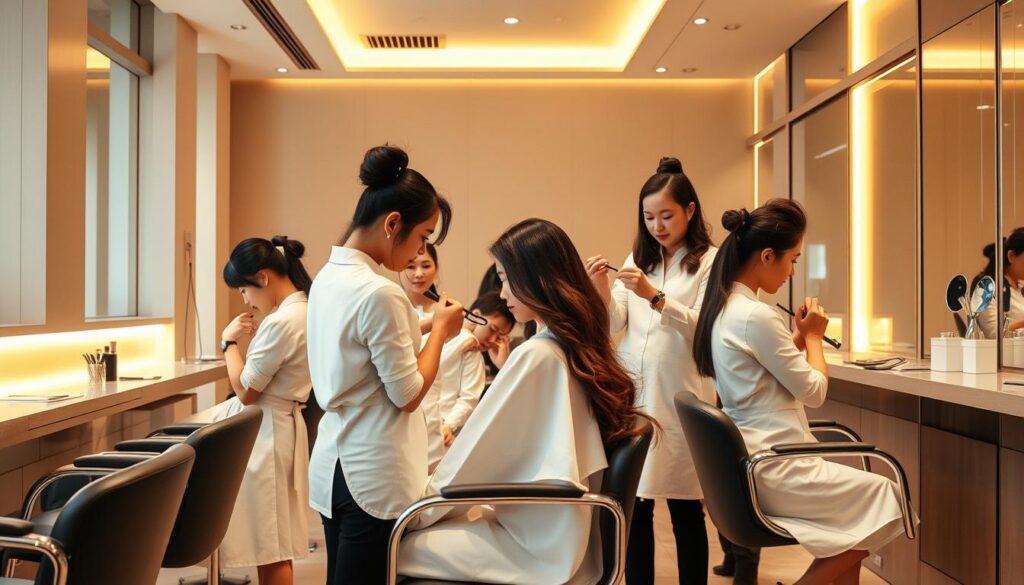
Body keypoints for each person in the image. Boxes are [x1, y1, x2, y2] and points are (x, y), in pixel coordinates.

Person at [397, 218, 649, 584]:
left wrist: (419, 510)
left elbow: (473, 456)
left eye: (505, 279)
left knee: (395, 545)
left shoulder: (537, 354)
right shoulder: (571, 345)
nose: (502, 294)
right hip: (564, 536)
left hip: (538, 549)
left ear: (536, 279)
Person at [693, 198, 912, 585]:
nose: (792, 271)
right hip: (778, 465)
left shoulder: (724, 309)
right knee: (889, 497)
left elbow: (761, 372)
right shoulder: (756, 315)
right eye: (792, 259)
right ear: (767, 256)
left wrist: (795, 337)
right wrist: (813, 338)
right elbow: (814, 391)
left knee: (856, 520)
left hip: (759, 462)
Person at [306, 144, 465, 585]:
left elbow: (364, 347)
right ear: (393, 224)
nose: (419, 251)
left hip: (333, 462)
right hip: (372, 470)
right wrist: (441, 334)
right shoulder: (381, 292)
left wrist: (428, 323)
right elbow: (408, 394)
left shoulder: (327, 278)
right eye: (423, 236)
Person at [586, 157, 716, 585]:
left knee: (685, 507)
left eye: (666, 215)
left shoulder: (710, 261)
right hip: (636, 396)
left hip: (681, 396)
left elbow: (706, 327)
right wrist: (601, 287)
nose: (657, 226)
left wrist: (655, 296)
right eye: (648, 217)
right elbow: (614, 323)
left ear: (690, 210)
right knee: (635, 506)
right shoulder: (639, 257)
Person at [214, 235, 314, 585]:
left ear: (263, 277)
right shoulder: (303, 310)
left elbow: (245, 390)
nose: (246, 300)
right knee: (272, 543)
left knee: (269, 545)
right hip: (277, 426)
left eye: (244, 290)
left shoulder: (283, 321)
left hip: (267, 432)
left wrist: (228, 342)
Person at [974, 227, 1024, 338]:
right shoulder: (988, 288)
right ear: (1011, 256)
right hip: (1003, 349)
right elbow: (994, 333)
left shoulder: (1021, 286)